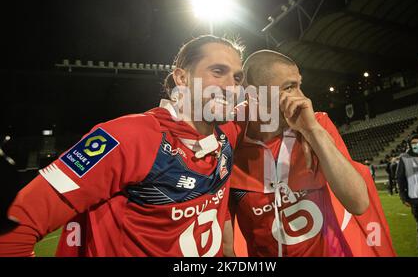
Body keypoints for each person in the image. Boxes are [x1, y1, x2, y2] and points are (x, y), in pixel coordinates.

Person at [0, 35, 246, 257]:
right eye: (217, 71)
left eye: (237, 77)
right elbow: (15, 227)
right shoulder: (125, 137)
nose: (231, 87)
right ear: (182, 78)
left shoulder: (226, 135)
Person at [224, 50, 395, 257]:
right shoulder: (230, 141)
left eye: (299, 85)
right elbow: (226, 244)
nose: (302, 98)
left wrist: (312, 132)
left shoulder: (317, 124)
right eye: (289, 87)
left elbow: (358, 203)